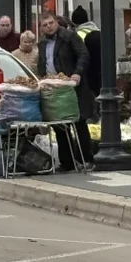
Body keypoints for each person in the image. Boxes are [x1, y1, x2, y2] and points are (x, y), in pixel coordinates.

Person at [35, 11, 94, 171]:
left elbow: (83, 55)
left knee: (79, 122)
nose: (49, 27)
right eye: (45, 25)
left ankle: (86, 159)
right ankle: (67, 162)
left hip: (72, 87)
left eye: (51, 23)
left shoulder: (69, 36)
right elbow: (43, 63)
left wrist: (77, 73)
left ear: (57, 22)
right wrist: (42, 79)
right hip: (53, 88)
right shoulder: (42, 43)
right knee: (59, 126)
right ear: (41, 28)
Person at [71, 6, 102, 111]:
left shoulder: (78, 34)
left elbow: (80, 55)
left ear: (74, 22)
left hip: (89, 72)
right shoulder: (96, 29)